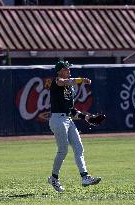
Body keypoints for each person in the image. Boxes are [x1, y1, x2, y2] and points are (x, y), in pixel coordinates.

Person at [48, 60, 101, 192]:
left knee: (78, 147)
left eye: (69, 69)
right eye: (66, 69)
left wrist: (86, 117)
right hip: (57, 119)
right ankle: (54, 178)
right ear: (60, 70)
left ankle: (85, 177)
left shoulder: (70, 88)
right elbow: (62, 82)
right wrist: (81, 80)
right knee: (63, 150)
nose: (69, 70)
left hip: (67, 119)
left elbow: (71, 110)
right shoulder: (57, 81)